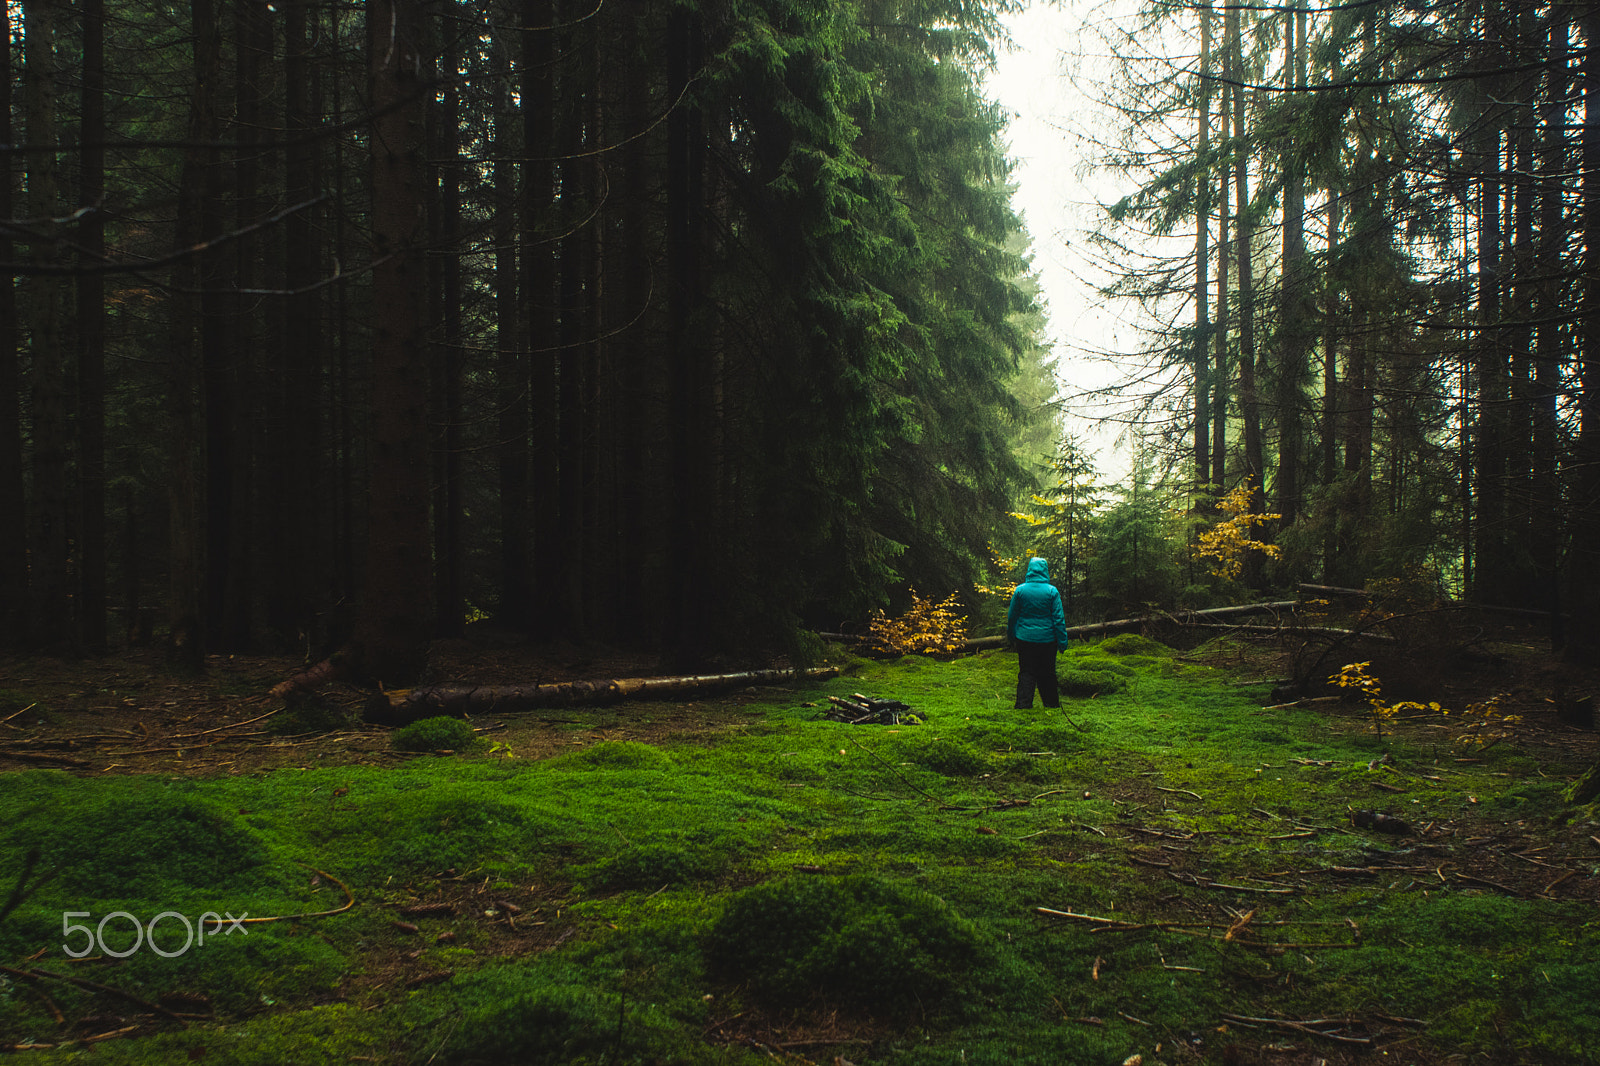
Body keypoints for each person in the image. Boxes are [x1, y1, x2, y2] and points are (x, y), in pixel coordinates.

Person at [1006, 557, 1069, 709]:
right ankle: (1052, 704)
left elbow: (1012, 616)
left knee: (1026, 672)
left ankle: (1023, 705)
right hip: (1048, 640)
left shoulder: (1020, 590)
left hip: (1024, 639)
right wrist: (1062, 642)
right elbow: (1059, 619)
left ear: (1029, 570)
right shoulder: (1052, 591)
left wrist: (1011, 636)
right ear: (1045, 571)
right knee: (1047, 673)